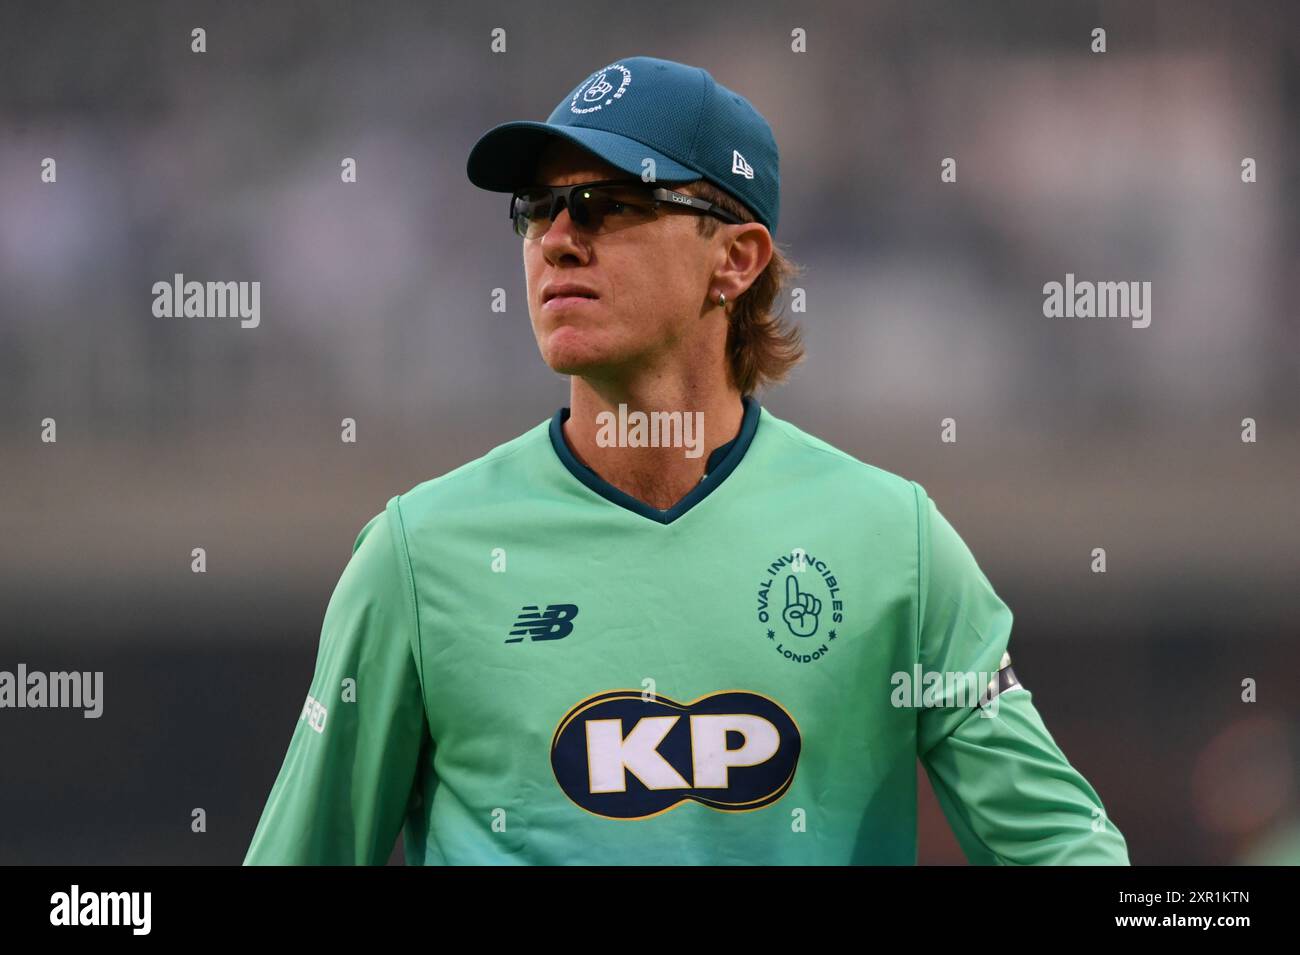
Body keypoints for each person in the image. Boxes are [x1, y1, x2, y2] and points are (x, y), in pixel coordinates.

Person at [244, 55, 1129, 865]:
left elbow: (1068, 853)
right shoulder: (416, 555)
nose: (556, 239)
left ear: (735, 259)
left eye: (604, 205)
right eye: (536, 210)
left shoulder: (893, 545)